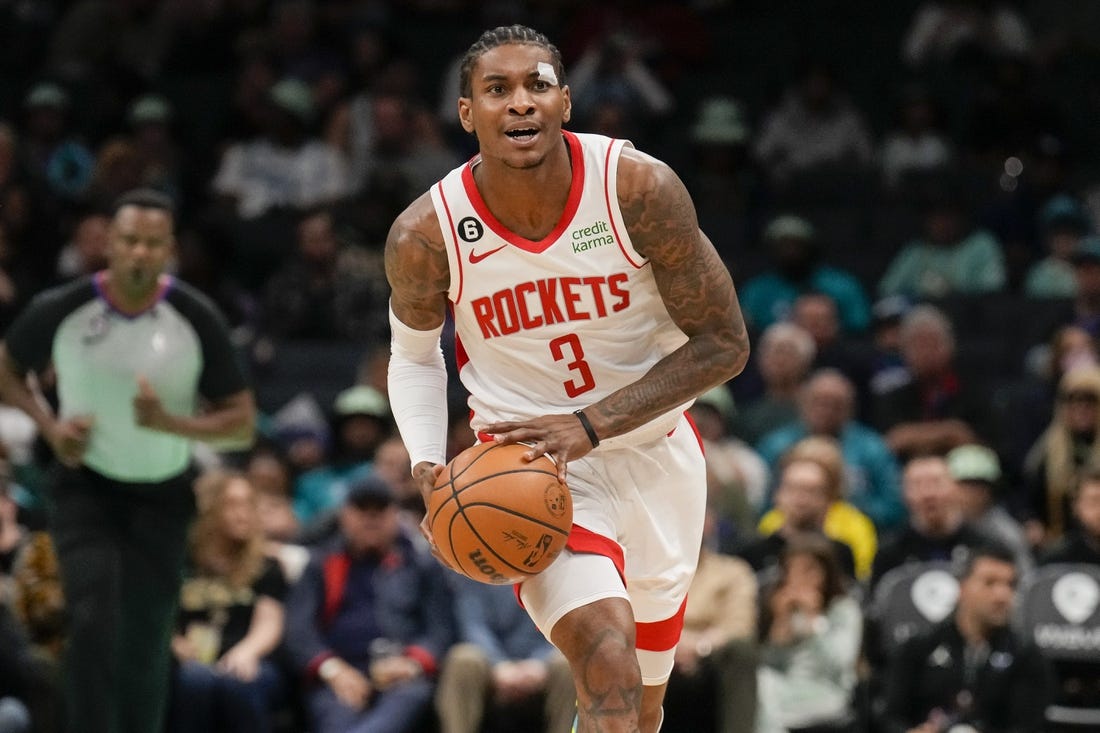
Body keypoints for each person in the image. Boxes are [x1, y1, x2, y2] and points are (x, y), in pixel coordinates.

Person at [383, 25, 749, 733]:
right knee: (605, 661)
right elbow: (414, 354)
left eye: (536, 86)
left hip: (656, 459)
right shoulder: (426, 234)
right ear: (467, 113)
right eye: (498, 89)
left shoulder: (636, 188)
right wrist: (427, 459)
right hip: (535, 471)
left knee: (641, 710)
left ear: (565, 102)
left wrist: (589, 424)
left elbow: (725, 343)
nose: (520, 103)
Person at [0, 188, 256, 733]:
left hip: (164, 495)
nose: (140, 253)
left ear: (169, 251)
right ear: (110, 245)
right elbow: (6, 368)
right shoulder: (62, 308)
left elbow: (241, 421)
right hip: (84, 488)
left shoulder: (194, 317)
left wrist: (171, 423)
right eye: (130, 241)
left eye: (153, 244)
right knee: (93, 618)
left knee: (146, 635)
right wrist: (49, 425)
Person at [283, 476, 453, 733]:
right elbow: (298, 630)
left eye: (380, 510)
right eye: (362, 510)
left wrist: (413, 664)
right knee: (334, 718)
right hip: (338, 674)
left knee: (408, 699)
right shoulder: (321, 564)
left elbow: (441, 628)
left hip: (402, 677)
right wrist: (332, 670)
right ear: (344, 515)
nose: (371, 518)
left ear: (396, 514)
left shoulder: (421, 565)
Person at [877, 543, 1051, 733]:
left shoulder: (1026, 656)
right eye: (990, 583)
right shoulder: (918, 647)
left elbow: (1029, 725)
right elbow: (889, 717)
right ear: (962, 587)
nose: (1002, 595)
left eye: (1010, 585)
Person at [169, 470, 288, 733]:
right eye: (232, 504)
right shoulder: (181, 563)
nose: (242, 514)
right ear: (209, 510)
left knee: (237, 681)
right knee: (195, 679)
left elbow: (269, 621)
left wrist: (248, 651)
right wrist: (174, 641)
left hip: (246, 658)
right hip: (190, 660)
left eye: (248, 504)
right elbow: (161, 617)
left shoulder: (267, 565)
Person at [434, 575, 576, 733]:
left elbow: (563, 627)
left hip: (541, 666)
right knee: (463, 658)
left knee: (567, 663)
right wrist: (499, 664)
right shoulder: (475, 568)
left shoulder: (556, 572)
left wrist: (538, 663)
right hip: (491, 666)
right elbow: (474, 625)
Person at [755, 535, 863, 733]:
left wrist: (815, 622)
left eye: (809, 570)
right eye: (792, 570)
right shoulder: (784, 606)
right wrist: (780, 626)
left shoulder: (844, 609)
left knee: (768, 707)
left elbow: (838, 665)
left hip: (828, 690)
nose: (800, 578)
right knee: (760, 682)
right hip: (784, 690)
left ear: (827, 573)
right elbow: (769, 663)